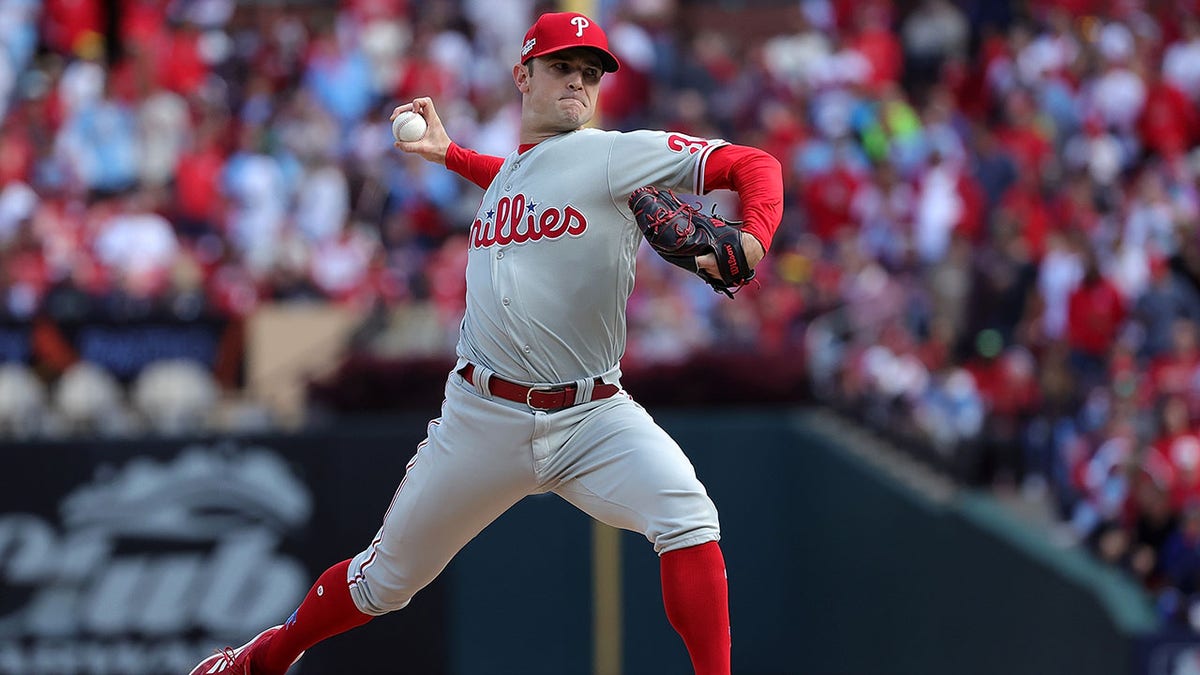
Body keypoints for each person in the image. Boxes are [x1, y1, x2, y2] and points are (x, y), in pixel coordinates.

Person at [189, 11, 782, 675]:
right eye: (563, 67)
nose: (578, 83)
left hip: (593, 414)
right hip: (481, 417)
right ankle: (260, 660)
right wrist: (449, 156)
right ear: (522, 74)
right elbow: (517, 176)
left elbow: (753, 162)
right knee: (383, 581)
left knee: (688, 514)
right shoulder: (513, 176)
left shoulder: (610, 156)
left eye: (590, 73)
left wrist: (753, 233)